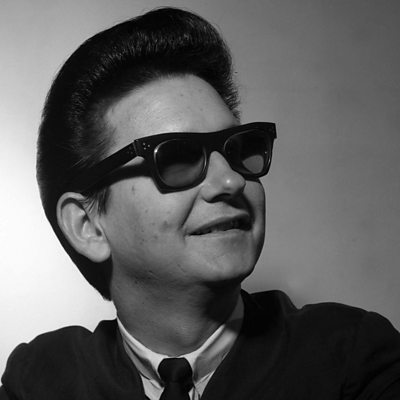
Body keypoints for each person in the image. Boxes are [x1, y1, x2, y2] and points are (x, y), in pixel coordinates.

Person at [1, 7, 400, 400]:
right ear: (87, 225)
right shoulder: (39, 383)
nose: (231, 180)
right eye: (175, 158)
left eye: (238, 148)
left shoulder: (353, 359)